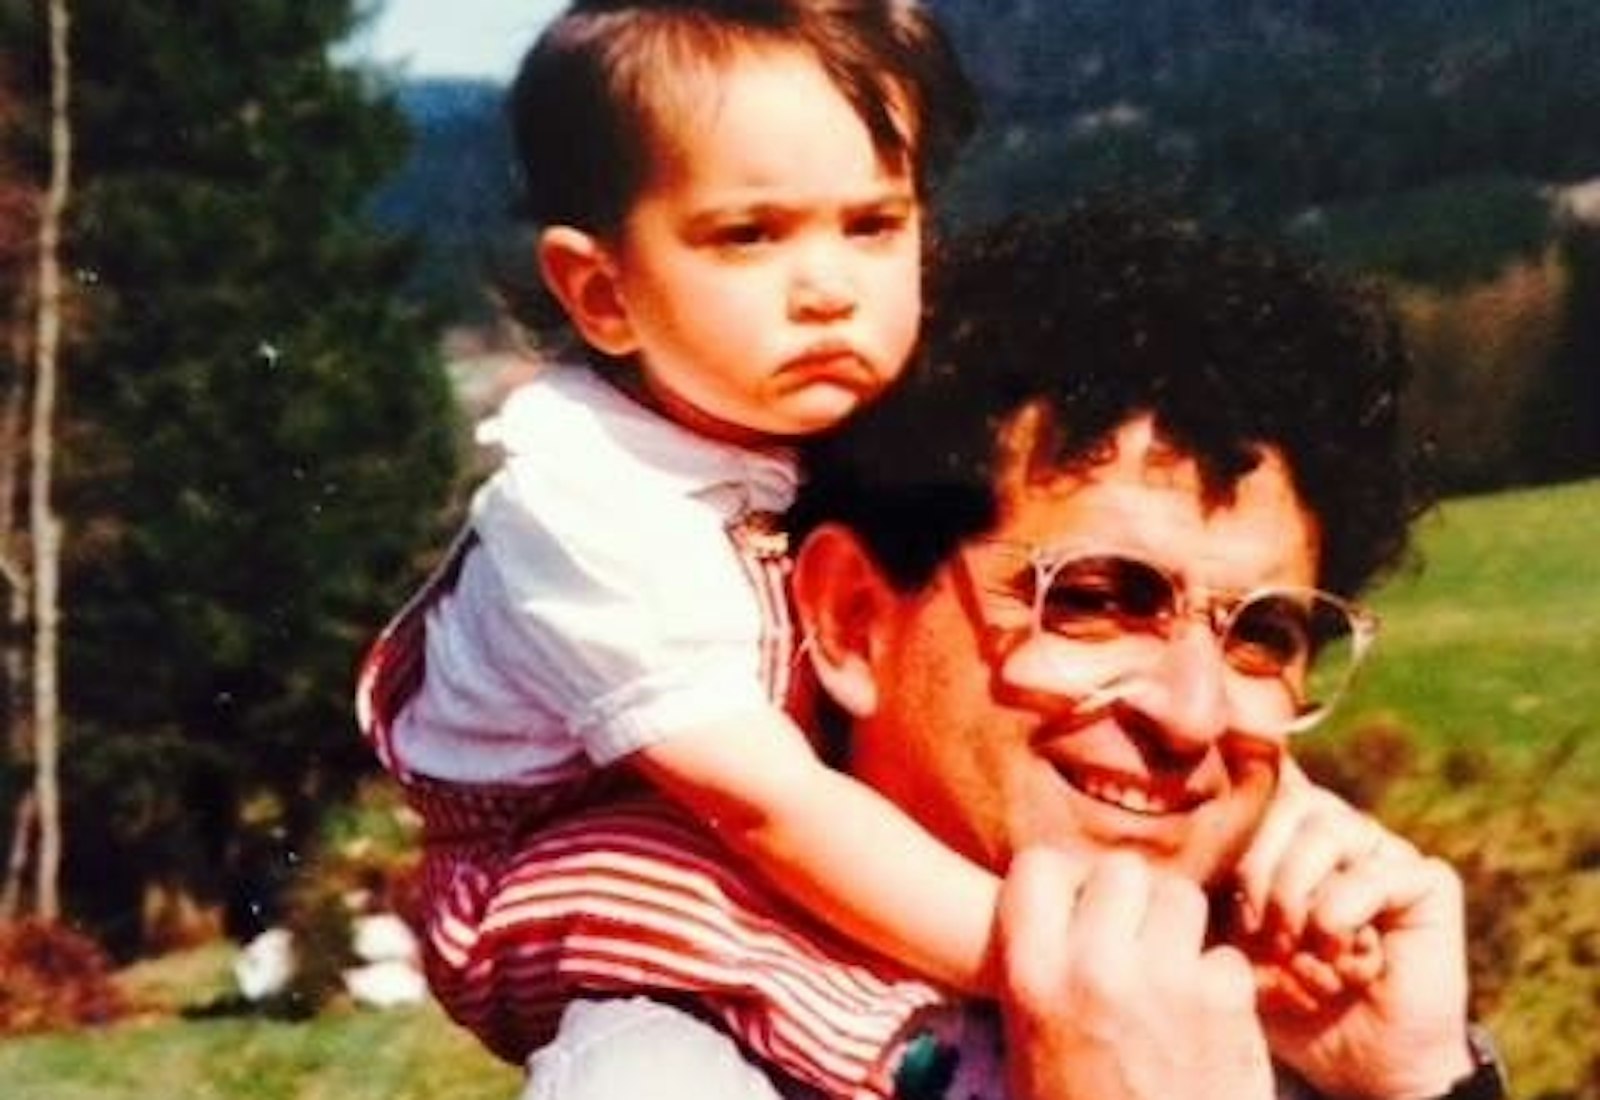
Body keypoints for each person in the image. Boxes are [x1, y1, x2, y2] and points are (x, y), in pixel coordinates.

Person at [517, 206, 1503, 1100]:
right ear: (852, 618)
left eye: (1258, 634)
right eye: (1094, 598)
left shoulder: (1287, 1025)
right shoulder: (666, 1074)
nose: (1194, 712)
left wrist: (1418, 1083)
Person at [356, 2, 1017, 1096]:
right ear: (601, 293)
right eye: (750, 234)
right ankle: (931, 1058)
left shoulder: (820, 410)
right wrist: (1027, 959)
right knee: (701, 879)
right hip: (561, 852)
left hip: (760, 807)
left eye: (872, 224)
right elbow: (766, 806)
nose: (828, 288)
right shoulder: (586, 499)